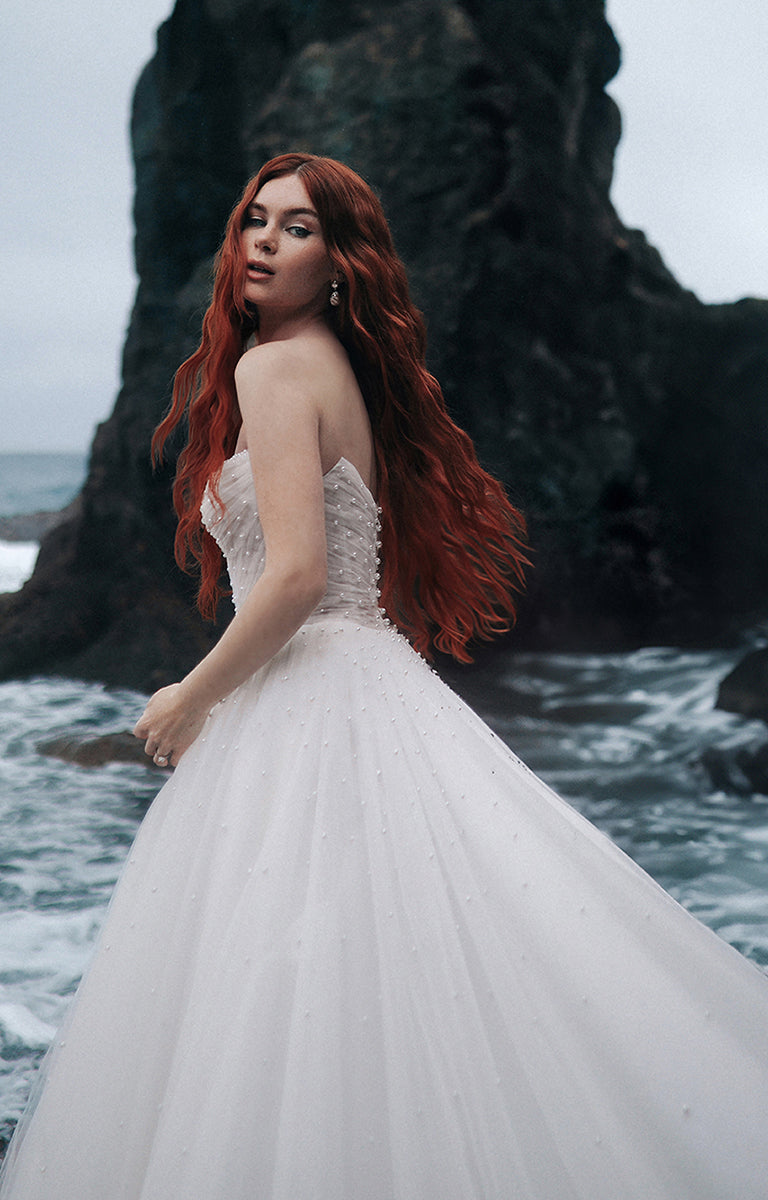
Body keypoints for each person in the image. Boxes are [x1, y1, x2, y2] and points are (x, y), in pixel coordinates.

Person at [1, 153, 767, 1200]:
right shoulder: (335, 371)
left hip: (308, 689)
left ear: (342, 264)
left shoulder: (273, 372)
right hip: (368, 683)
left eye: (298, 227)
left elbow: (300, 575)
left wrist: (192, 695)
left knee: (296, 990)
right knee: (388, 976)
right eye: (254, 220)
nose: (264, 241)